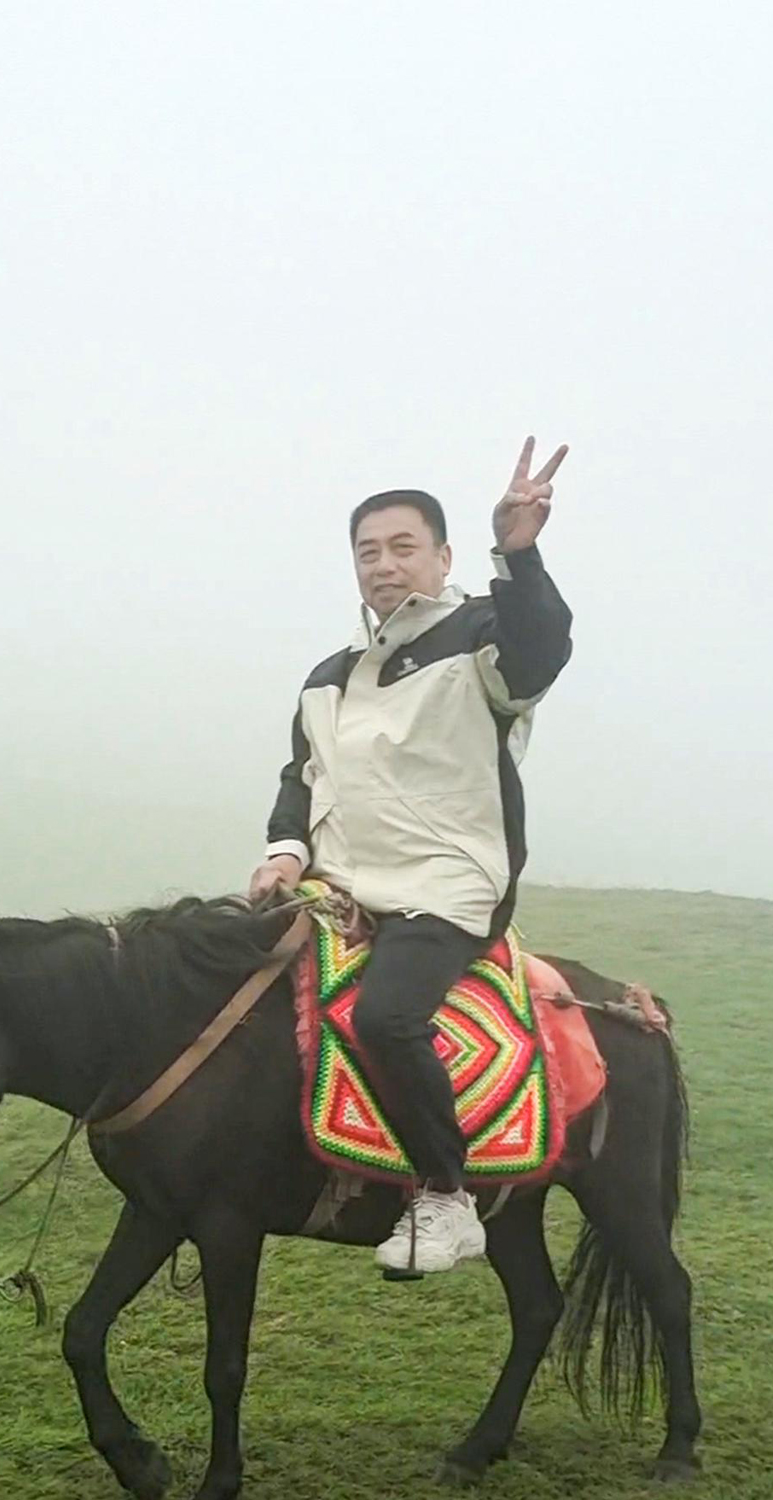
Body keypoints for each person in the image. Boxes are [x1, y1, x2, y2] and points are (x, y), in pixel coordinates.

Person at [249, 439, 572, 1276]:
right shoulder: (329, 675)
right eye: (368, 552)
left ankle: (445, 1196)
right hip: (340, 886)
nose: (384, 566)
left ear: (442, 556)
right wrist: (285, 853)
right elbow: (303, 774)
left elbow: (543, 648)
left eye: (403, 548)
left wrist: (522, 551)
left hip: (446, 885)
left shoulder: (483, 639)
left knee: (388, 1018)